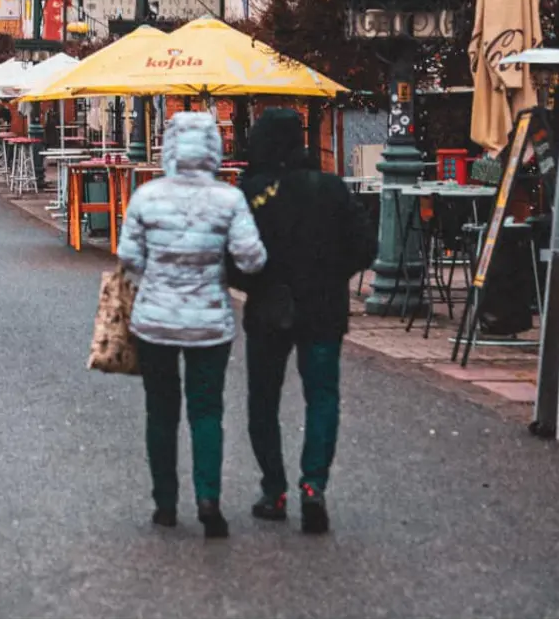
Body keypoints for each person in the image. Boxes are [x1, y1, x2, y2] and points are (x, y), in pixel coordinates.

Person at [116, 112, 267, 539]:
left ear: (169, 148)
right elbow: (252, 259)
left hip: (156, 321)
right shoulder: (229, 199)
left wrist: (156, 275)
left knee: (161, 412)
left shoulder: (147, 196)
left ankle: (165, 503)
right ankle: (208, 498)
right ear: (213, 149)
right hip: (209, 322)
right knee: (206, 411)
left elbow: (128, 257)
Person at [228, 108, 377, 536]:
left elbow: (234, 256)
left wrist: (254, 283)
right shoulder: (330, 188)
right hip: (324, 305)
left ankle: (274, 490)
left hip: (269, 306)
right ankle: (314, 484)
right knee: (322, 397)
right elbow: (366, 246)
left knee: (263, 401)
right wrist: (332, 273)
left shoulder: (252, 191)